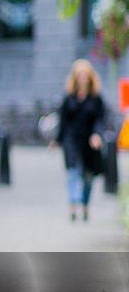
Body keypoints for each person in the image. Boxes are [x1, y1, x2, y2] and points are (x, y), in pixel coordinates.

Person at [50, 59, 106, 222]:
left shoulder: (96, 99)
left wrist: (97, 134)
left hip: (89, 140)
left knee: (88, 176)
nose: (82, 78)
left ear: (90, 77)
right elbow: (63, 121)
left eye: (85, 75)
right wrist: (57, 140)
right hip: (71, 139)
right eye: (79, 75)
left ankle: (84, 203)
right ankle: (74, 203)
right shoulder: (69, 98)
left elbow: (100, 120)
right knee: (73, 171)